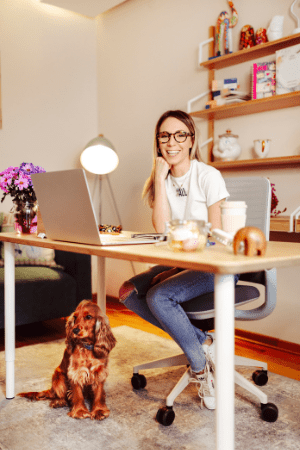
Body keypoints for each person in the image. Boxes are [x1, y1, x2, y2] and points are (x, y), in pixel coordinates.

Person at [119, 110, 239, 410]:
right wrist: (160, 178)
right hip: (182, 264)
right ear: (157, 143)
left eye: (179, 135)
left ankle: (200, 370)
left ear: (191, 140)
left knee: (160, 295)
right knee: (128, 292)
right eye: (164, 136)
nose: (171, 142)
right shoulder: (160, 180)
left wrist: (174, 267)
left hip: (215, 266)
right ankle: (203, 344)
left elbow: (215, 235)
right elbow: (161, 229)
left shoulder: (208, 176)